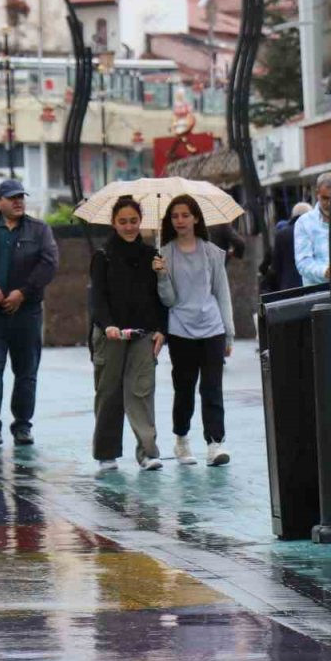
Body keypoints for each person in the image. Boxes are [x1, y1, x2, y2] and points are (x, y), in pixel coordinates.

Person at [0, 179, 60, 447]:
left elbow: (49, 263)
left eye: (21, 197)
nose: (18, 201)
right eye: (12, 197)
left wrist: (23, 293)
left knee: (26, 372)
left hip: (26, 314)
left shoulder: (39, 230)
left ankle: (23, 426)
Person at [155, 195, 233, 467]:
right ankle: (182, 439)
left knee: (212, 388)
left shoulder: (212, 252)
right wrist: (162, 276)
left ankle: (215, 443)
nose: (180, 220)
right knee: (184, 389)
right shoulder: (164, 254)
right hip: (180, 331)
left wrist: (229, 333)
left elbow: (222, 293)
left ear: (196, 218)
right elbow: (168, 300)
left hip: (212, 329)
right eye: (175, 216)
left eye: (185, 215)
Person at [89, 196, 167, 471]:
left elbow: (160, 298)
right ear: (114, 223)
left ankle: (148, 452)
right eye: (123, 221)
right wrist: (108, 325)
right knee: (109, 391)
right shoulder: (103, 256)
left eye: (133, 221)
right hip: (111, 334)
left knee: (141, 390)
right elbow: (97, 297)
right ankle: (106, 452)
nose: (129, 226)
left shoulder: (152, 257)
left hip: (144, 334)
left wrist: (161, 329)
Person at [266, 202, 312, 293]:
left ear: (292, 215)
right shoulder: (315, 233)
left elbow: (276, 267)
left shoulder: (282, 235)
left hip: (289, 288)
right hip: (314, 287)